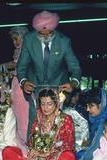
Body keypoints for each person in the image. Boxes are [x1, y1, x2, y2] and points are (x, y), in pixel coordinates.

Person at [16, 10, 82, 139]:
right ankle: (32, 150)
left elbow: (75, 67)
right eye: (41, 33)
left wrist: (73, 83)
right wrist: (23, 82)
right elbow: (21, 66)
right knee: (34, 119)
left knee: (57, 121)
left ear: (54, 28)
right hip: (35, 86)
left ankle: (57, 151)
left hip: (58, 88)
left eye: (49, 33)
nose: (45, 36)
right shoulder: (29, 40)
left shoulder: (64, 41)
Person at [2, 88, 75, 160]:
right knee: (7, 151)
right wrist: (34, 152)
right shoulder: (38, 119)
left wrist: (46, 153)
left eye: (49, 104)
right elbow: (31, 142)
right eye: (43, 104)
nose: (45, 108)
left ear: (56, 104)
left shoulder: (65, 119)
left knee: (69, 157)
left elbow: (68, 145)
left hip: (53, 157)